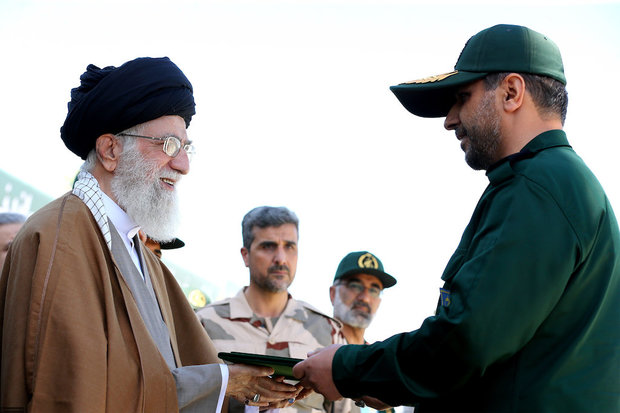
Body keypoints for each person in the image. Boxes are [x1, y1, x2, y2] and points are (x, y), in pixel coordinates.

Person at [293, 24, 620, 412]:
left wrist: (348, 368)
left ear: (511, 93)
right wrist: (401, 383)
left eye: (462, 98)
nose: (450, 120)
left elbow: (468, 343)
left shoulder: (538, 186)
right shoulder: (557, 183)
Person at [0, 57, 300, 413]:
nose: (183, 165)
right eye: (168, 145)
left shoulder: (138, 251)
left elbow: (171, 372)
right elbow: (72, 389)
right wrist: (223, 382)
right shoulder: (59, 237)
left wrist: (249, 394)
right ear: (111, 150)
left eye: (186, 148)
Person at [197, 206, 344, 413]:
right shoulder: (203, 324)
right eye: (268, 246)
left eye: (290, 246)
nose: (281, 258)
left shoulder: (327, 330)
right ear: (245, 255)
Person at [330, 251, 396, 345]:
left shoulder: (375, 357)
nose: (365, 298)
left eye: (374, 291)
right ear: (333, 294)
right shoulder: (308, 344)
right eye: (355, 286)